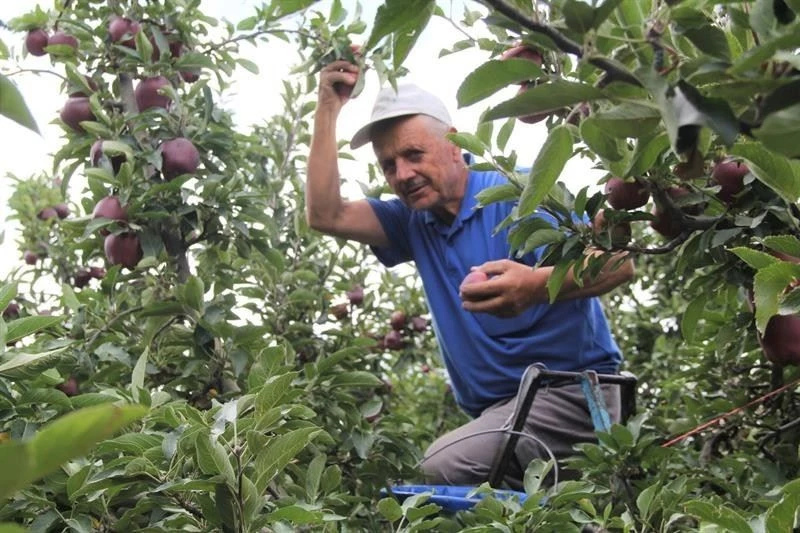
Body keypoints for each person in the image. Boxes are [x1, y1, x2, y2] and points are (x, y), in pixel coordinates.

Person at [306, 58, 635, 490]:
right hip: (502, 415)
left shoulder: (524, 192)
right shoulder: (412, 221)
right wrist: (328, 106)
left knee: (433, 477)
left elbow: (618, 262)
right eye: (389, 165)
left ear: (455, 143)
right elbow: (325, 214)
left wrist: (537, 286)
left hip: (573, 396)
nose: (402, 175)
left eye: (413, 154)